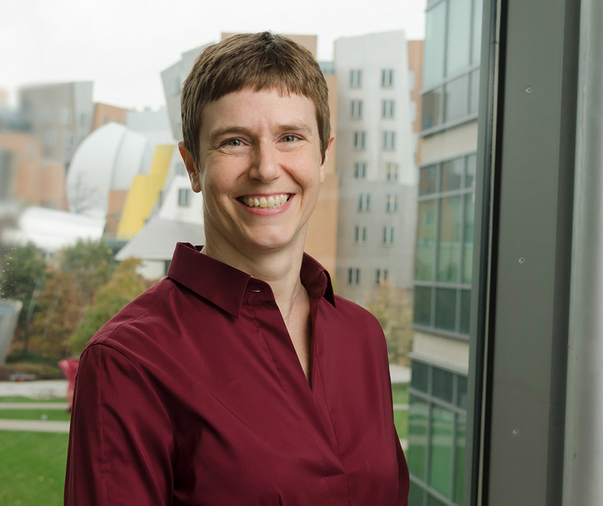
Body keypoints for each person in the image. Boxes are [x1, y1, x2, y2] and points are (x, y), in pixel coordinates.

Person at [64, 32, 409, 505]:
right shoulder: (128, 361)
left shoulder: (362, 336)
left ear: (323, 155)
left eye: (290, 137)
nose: (266, 168)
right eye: (234, 142)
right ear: (191, 166)